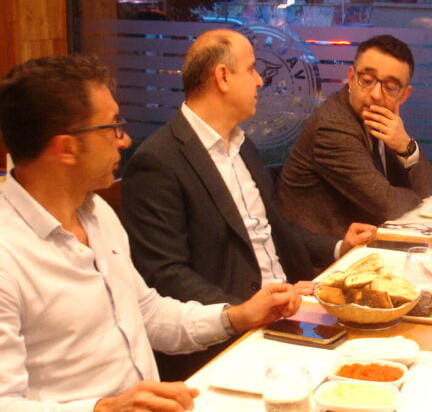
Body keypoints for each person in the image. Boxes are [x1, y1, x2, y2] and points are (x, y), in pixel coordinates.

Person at [0, 54, 302, 411]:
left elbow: (146, 313)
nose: (124, 140)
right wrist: (104, 408)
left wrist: (236, 316)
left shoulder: (97, 214)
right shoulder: (8, 254)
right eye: (112, 127)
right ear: (66, 148)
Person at [121, 29, 376, 380]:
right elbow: (165, 275)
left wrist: (338, 247)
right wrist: (244, 311)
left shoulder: (242, 146)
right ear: (223, 77)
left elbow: (275, 230)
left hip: (289, 310)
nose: (259, 80)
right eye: (252, 69)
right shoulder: (158, 162)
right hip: (229, 340)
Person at [276, 34, 432, 238]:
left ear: (404, 95)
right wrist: (415, 196)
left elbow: (425, 185)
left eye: (390, 87)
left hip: (364, 240)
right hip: (323, 251)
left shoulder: (382, 121)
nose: (376, 94)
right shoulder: (333, 126)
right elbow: (386, 205)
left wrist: (406, 147)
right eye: (367, 80)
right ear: (351, 78)